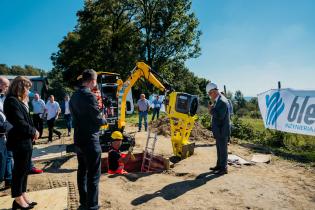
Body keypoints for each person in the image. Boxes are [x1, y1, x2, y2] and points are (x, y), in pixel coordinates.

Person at [70, 69, 107, 210]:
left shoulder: (74, 96)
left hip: (79, 139)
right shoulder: (89, 96)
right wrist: (103, 119)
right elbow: (97, 118)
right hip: (91, 140)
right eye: (95, 81)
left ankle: (83, 202)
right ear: (93, 81)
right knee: (93, 175)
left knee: (82, 171)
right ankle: (92, 206)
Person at [4, 76, 39, 209]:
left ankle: (22, 194)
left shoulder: (18, 100)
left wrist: (33, 131)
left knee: (25, 170)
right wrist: (33, 131)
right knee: (19, 170)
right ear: (20, 87)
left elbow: (27, 119)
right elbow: (19, 122)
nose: (28, 91)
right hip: (19, 141)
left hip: (25, 140)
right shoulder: (11, 101)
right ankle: (17, 198)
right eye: (27, 88)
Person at [207, 82, 230, 175]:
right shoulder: (219, 100)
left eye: (209, 94)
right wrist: (213, 108)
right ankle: (219, 165)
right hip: (219, 130)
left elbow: (220, 116)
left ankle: (223, 168)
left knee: (223, 150)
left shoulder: (222, 101)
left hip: (222, 130)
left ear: (214, 92)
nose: (209, 96)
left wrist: (211, 110)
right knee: (219, 149)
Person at [0, 76, 13, 189]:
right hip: (2, 132)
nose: (7, 88)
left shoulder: (2, 97)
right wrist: (11, 127)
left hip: (4, 132)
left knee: (7, 155)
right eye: (6, 85)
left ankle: (8, 178)